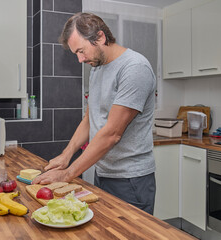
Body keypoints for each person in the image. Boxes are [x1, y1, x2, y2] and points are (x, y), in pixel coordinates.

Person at [32, 12, 157, 215]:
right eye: (76, 54)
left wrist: (68, 174)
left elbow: (112, 134)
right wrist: (66, 155)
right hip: (103, 173)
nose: (80, 59)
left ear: (100, 37)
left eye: (81, 51)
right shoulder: (97, 69)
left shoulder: (134, 68)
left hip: (131, 179)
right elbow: (89, 120)